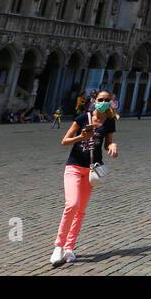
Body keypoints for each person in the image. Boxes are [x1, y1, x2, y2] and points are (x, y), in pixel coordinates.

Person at [51, 90, 118, 267]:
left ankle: (69, 247)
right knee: (71, 205)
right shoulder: (83, 117)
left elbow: (108, 142)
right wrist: (81, 137)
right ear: (94, 101)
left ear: (111, 102)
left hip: (91, 170)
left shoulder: (109, 121)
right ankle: (58, 246)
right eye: (100, 99)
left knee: (80, 210)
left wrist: (112, 146)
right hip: (73, 166)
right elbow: (64, 141)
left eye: (106, 100)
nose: (103, 102)